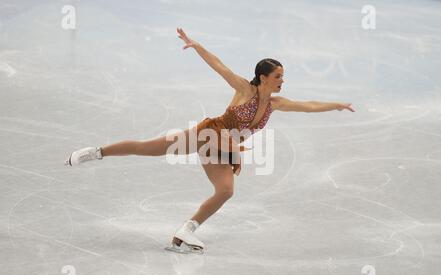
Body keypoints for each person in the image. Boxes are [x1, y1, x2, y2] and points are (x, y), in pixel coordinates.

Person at [65, 27, 355, 254]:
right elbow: (219, 66)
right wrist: (196, 46)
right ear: (263, 77)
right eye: (278, 75)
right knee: (149, 148)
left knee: (226, 190)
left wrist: (337, 105)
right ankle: (96, 152)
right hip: (211, 135)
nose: (283, 80)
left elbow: (309, 105)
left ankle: (185, 230)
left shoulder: (275, 103)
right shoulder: (245, 89)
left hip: (226, 148)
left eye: (283, 75)